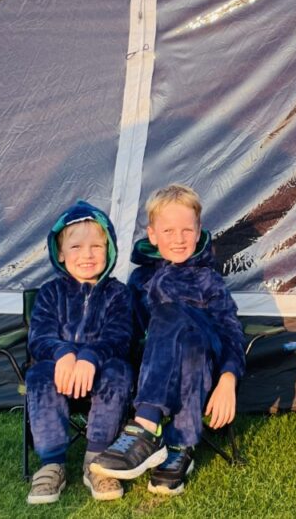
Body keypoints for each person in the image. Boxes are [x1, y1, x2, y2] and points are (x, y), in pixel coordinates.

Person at [90, 184, 245, 496]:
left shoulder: (208, 281)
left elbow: (231, 333)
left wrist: (228, 380)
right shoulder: (139, 280)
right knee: (164, 333)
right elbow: (128, 332)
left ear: (199, 231)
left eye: (187, 230)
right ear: (152, 234)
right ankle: (178, 444)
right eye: (169, 230)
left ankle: (146, 427)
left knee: (171, 316)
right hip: (155, 369)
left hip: (206, 364)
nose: (178, 239)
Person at [24, 201, 134, 505]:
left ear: (109, 249)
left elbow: (120, 336)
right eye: (76, 247)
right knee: (37, 374)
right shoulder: (50, 293)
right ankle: (52, 463)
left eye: (96, 246)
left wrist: (90, 356)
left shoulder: (118, 293)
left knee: (119, 371)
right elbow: (39, 338)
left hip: (101, 372)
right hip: (58, 372)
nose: (86, 255)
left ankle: (97, 460)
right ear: (60, 253)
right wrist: (64, 353)